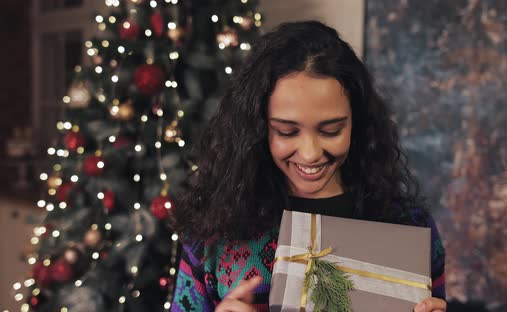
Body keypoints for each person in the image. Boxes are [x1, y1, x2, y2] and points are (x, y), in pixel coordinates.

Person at [171, 21, 446, 312]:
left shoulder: (408, 226)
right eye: (287, 132)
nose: (311, 153)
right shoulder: (215, 233)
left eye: (331, 131)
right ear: (258, 128)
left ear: (358, 124)